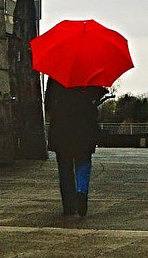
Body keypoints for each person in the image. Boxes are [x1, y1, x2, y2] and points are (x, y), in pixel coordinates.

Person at [44, 78, 108, 217]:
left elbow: (48, 102)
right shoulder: (90, 74)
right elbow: (96, 96)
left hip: (62, 126)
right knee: (84, 160)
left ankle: (69, 204)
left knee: (64, 166)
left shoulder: (57, 74)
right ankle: (82, 191)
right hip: (85, 125)